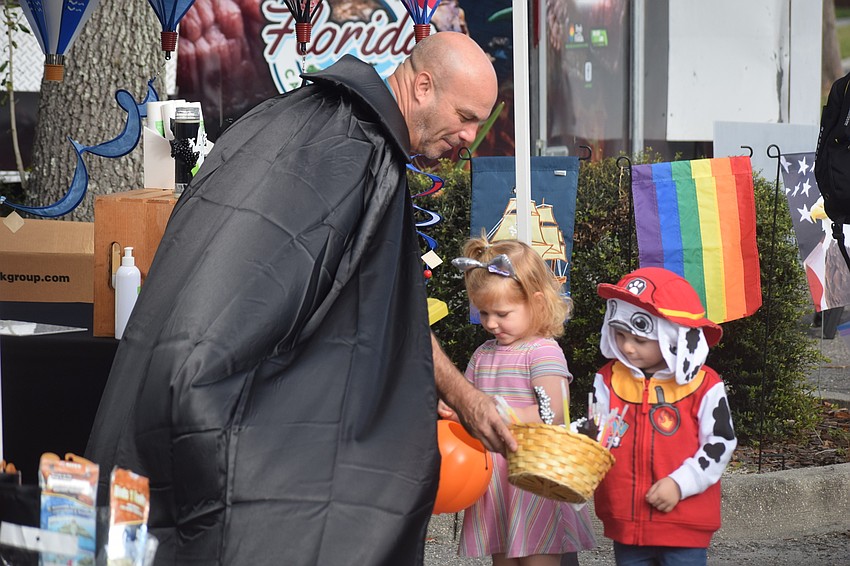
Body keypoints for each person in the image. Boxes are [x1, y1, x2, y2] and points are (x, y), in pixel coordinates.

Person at [85, 32, 514, 565]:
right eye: (466, 116)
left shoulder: (294, 117)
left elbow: (374, 313)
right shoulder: (359, 151)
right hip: (218, 408)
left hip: (168, 384)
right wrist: (465, 399)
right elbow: (357, 313)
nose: (471, 137)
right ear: (422, 86)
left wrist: (433, 386)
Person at [440, 236, 596, 566]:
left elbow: (552, 412)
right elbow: (470, 406)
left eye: (502, 313)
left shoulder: (541, 352)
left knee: (538, 558)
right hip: (494, 483)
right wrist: (453, 411)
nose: (491, 323)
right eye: (483, 313)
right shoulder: (483, 355)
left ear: (537, 303)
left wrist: (500, 411)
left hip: (533, 481)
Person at [591, 267, 737, 566]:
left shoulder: (705, 384)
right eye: (619, 335)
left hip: (683, 523)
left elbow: (720, 443)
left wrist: (680, 483)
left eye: (640, 340)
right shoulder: (607, 380)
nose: (627, 347)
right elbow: (595, 439)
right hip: (625, 522)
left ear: (674, 336)